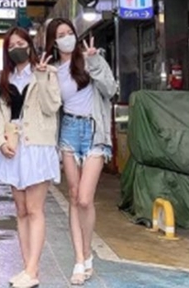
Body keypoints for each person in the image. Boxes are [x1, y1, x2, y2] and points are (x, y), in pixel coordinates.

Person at [45, 18, 116, 286]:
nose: (66, 37)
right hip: (69, 132)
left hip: (94, 130)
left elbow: (111, 89)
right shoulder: (52, 70)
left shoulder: (91, 59)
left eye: (69, 33)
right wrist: (41, 77)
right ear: (53, 41)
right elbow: (50, 105)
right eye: (60, 34)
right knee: (74, 197)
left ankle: (87, 253)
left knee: (86, 199)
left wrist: (95, 61)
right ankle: (80, 258)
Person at [0, 28, 61, 288]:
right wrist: (0, 142)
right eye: (11, 46)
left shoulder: (47, 72)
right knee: (20, 211)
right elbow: (0, 114)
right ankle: (27, 269)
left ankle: (32, 271)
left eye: (21, 43)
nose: (17, 48)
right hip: (14, 146)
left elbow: (52, 107)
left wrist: (41, 77)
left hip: (38, 146)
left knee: (34, 209)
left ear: (30, 46)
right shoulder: (5, 78)